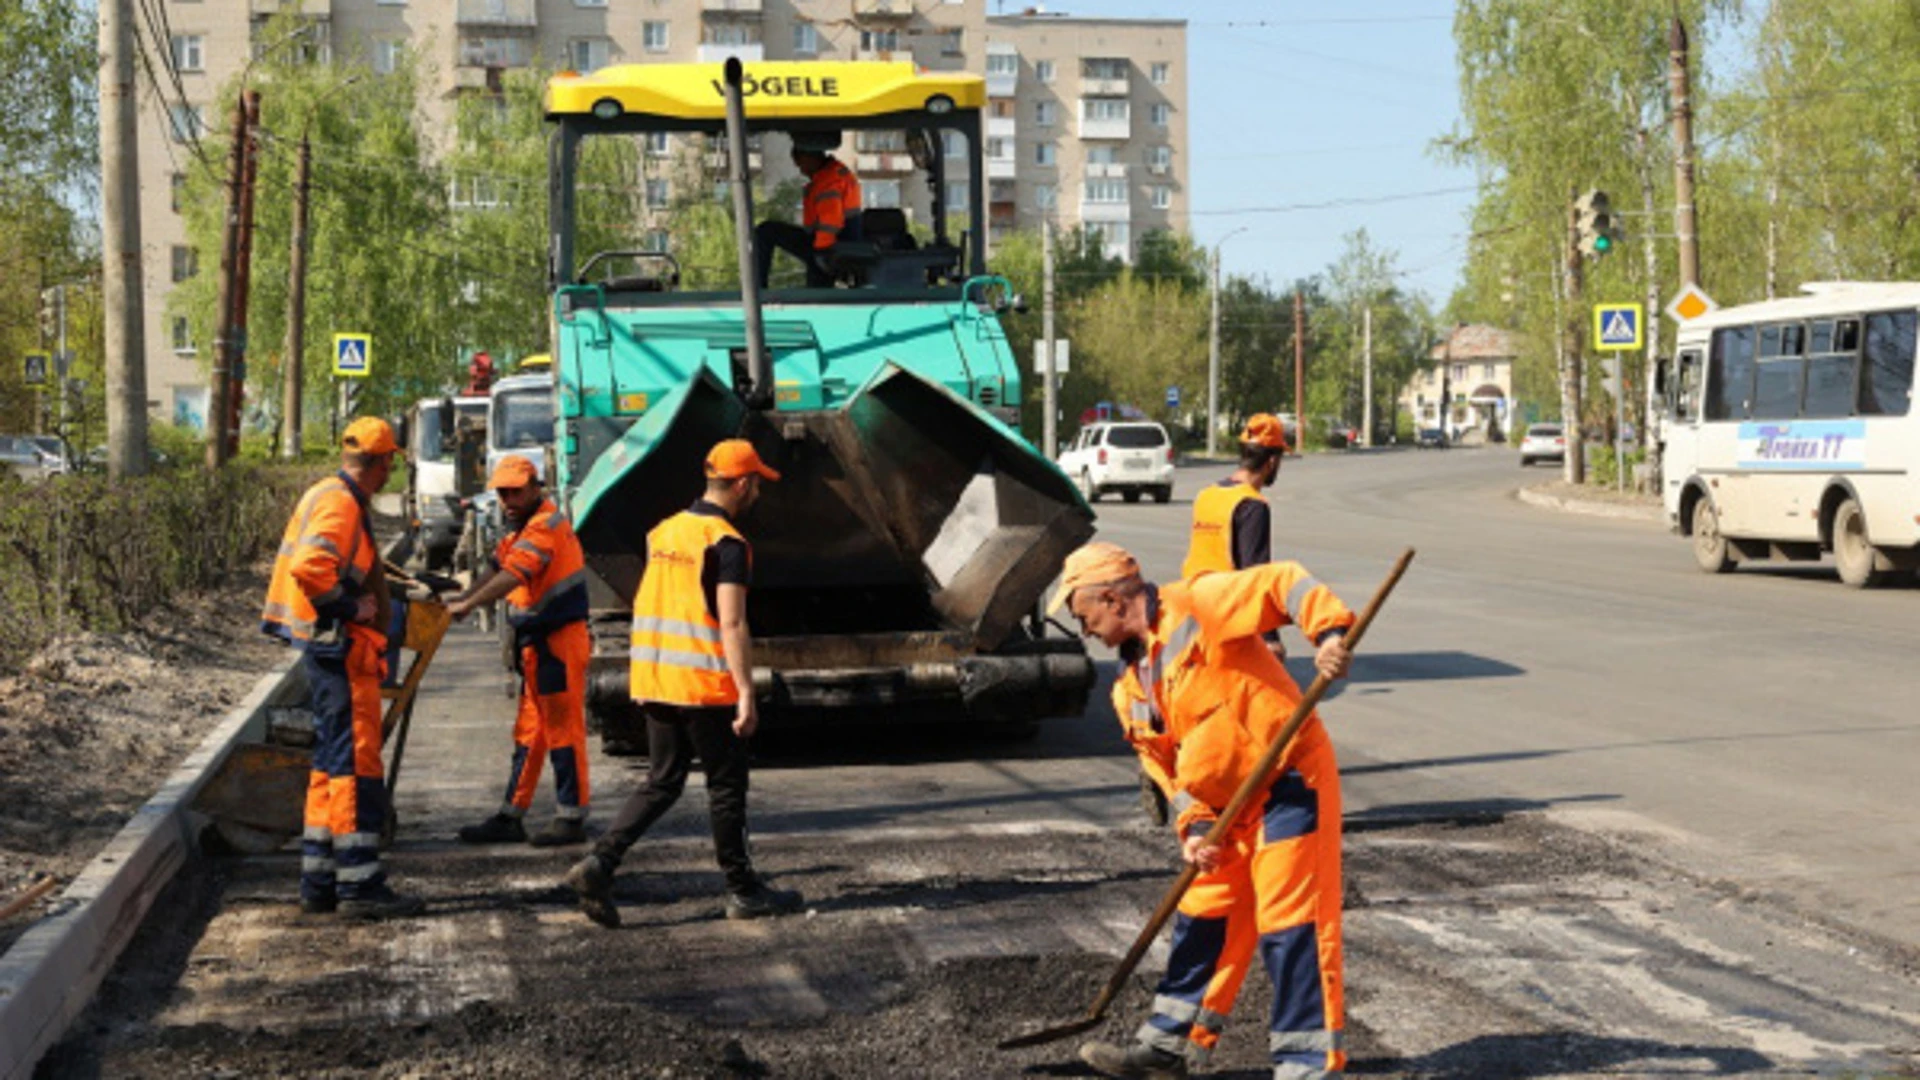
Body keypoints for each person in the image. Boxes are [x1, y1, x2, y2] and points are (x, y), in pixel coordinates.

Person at [1053, 542, 1355, 1080]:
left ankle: (1307, 1065)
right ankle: (1170, 1048)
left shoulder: (1200, 603)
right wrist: (1192, 828)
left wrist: (1330, 635)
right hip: (1223, 812)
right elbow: (1168, 773)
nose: (1085, 630)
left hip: (1287, 782)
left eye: (1084, 616)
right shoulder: (1128, 691)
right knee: (1201, 913)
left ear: (1111, 598)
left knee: (1291, 925)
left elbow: (1284, 583)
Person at [564, 439, 803, 927]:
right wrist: (745, 692)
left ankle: (601, 862)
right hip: (703, 681)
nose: (757, 491)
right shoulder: (727, 543)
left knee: (662, 781)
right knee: (726, 785)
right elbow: (732, 624)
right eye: (755, 482)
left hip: (656, 675)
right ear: (740, 483)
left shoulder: (664, 532)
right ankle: (743, 890)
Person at [260, 418, 424, 921]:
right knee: (354, 763)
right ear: (379, 464)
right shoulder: (340, 502)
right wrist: (352, 609)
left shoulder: (330, 494)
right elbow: (311, 566)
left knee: (331, 764)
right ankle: (358, 881)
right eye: (390, 463)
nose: (390, 473)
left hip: (330, 649)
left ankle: (320, 879)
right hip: (343, 649)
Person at [448, 455, 592, 847]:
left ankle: (571, 817)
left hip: (559, 641)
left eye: (515, 491)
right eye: (502, 492)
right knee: (530, 732)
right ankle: (511, 814)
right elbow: (497, 567)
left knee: (563, 729)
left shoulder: (544, 527)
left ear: (535, 488)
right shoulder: (521, 530)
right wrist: (464, 596)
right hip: (539, 644)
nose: (508, 499)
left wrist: (469, 605)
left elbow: (515, 574)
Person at [753, 131, 861, 288]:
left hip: (832, 246)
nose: (801, 170)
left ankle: (757, 291)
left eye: (800, 164)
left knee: (765, 232)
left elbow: (831, 223)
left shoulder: (829, 181)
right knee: (766, 231)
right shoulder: (829, 174)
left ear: (810, 158)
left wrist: (820, 257)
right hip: (825, 242)